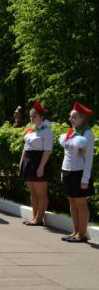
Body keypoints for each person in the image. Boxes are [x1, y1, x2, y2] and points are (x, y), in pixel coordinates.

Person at [59, 102, 94, 242]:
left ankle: (82, 234)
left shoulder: (87, 134)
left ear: (82, 118)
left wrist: (85, 179)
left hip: (80, 173)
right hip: (68, 172)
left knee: (81, 204)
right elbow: (66, 155)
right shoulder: (70, 133)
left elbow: (89, 158)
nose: (71, 119)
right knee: (72, 202)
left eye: (74, 117)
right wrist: (63, 173)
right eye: (70, 117)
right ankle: (75, 231)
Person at [19, 100, 54, 226]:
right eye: (30, 116)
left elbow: (47, 151)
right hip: (29, 161)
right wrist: (22, 162)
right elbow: (25, 147)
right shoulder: (30, 131)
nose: (31, 118)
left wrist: (41, 167)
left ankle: (39, 219)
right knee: (33, 192)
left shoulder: (47, 131)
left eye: (34, 116)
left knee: (41, 193)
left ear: (42, 117)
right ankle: (34, 217)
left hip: (39, 162)